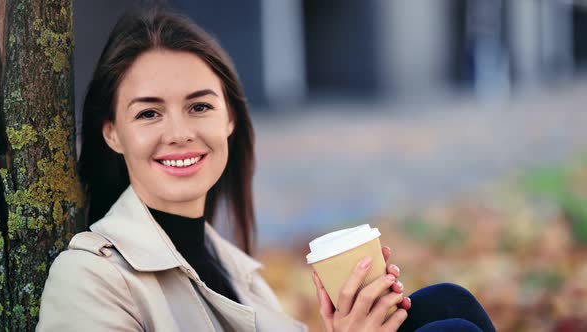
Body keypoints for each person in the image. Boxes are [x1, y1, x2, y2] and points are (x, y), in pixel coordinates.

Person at [37, 6, 495, 332]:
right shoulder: (91, 279)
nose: (178, 133)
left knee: (447, 304)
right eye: (148, 113)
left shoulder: (239, 272)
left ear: (229, 119)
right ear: (112, 133)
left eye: (199, 106)